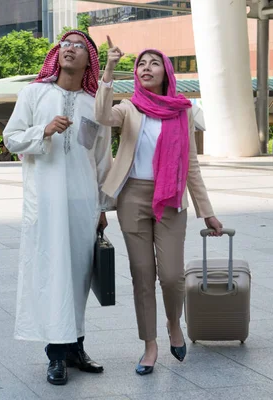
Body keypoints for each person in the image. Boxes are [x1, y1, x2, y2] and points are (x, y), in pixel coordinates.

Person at [94, 37, 224, 376]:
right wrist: (108, 68)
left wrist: (206, 210)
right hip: (132, 198)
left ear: (166, 71)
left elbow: (191, 166)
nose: (146, 67)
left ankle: (173, 323)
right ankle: (149, 345)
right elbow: (102, 115)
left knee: (171, 276)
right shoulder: (129, 107)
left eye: (153, 62)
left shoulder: (182, 111)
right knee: (142, 276)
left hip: (170, 200)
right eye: (141, 63)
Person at [3, 30, 113, 386]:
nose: (69, 49)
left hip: (83, 202)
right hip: (46, 203)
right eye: (65, 44)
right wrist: (44, 131)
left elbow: (101, 158)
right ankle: (56, 355)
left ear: (89, 60)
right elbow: (11, 138)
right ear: (57, 54)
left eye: (79, 46)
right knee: (53, 276)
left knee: (79, 275)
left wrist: (102, 206)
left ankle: (76, 348)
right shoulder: (34, 93)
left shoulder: (94, 105)